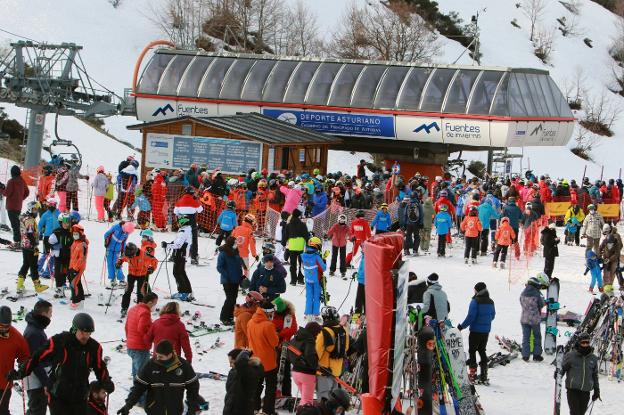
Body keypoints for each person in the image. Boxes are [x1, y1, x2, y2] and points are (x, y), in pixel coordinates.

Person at [10, 313, 114, 415]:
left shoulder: (94, 347)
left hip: (80, 396)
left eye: (89, 333)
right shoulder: (60, 341)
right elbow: (37, 356)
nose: (85, 336)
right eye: (82, 332)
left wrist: (106, 382)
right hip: (58, 395)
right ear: (74, 329)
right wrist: (21, 372)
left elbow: (100, 367)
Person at [117, 339, 203, 415]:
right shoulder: (150, 365)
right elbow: (138, 387)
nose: (157, 358)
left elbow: (193, 388)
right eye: (157, 355)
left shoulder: (183, 366)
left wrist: (192, 409)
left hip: (175, 411)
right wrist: (128, 405)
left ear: (170, 354)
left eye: (160, 356)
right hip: (154, 411)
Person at [457, 282, 496, 384]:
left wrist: (461, 327)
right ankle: (484, 375)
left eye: (474, 289)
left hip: (475, 331)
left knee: (472, 351)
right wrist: (485, 322)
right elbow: (492, 316)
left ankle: (472, 374)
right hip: (486, 331)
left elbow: (470, 317)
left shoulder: (475, 301)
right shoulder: (491, 301)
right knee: (482, 350)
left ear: (477, 290)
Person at [125, 292, 158, 407]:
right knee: (143, 375)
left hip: (131, 346)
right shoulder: (145, 312)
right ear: (149, 302)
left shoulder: (133, 309)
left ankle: (136, 396)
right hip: (140, 348)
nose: (155, 306)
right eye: (154, 303)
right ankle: (143, 400)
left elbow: (127, 326)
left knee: (136, 373)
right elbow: (142, 329)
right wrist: (148, 341)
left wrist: (129, 340)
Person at [247, 300, 280, 415]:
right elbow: (275, 342)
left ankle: (254, 408)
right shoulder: (268, 325)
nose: (273, 316)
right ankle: (268, 410)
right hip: (268, 362)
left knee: (256, 386)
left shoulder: (251, 321)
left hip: (255, 360)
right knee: (270, 388)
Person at [23, 300, 52, 415]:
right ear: (43, 314)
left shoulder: (36, 328)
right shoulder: (34, 333)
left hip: (39, 378)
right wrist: (45, 381)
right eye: (50, 313)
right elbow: (34, 362)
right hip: (36, 380)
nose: (51, 316)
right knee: (37, 410)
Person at [118, 231, 158, 316]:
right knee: (127, 291)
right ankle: (124, 308)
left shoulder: (144, 254)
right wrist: (119, 263)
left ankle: (140, 310)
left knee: (140, 293)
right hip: (131, 274)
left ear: (135, 252)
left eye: (131, 256)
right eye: (129, 257)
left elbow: (154, 260)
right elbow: (122, 258)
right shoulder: (127, 253)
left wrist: (152, 268)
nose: (130, 258)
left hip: (142, 275)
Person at [0, 306, 30, 414]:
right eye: (1, 326)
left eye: (6, 326)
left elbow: (25, 355)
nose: (3, 329)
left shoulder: (16, 337)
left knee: (2, 411)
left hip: (4, 382)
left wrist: (20, 370)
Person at [562, 332, 600, 415]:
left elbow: (594, 375)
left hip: (585, 391)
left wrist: (597, 390)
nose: (585, 344)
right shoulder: (570, 356)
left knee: (581, 413)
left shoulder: (593, 358)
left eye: (587, 342)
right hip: (572, 390)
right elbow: (563, 368)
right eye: (583, 342)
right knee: (575, 413)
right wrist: (558, 375)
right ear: (579, 342)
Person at [315, 306, 349, 400]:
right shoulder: (343, 330)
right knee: (334, 399)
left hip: (324, 371)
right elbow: (345, 348)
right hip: (337, 371)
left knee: (324, 399)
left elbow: (317, 352)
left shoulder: (324, 332)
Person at [16, 201, 48, 294]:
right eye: (34, 209)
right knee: (34, 265)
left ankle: (20, 284)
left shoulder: (26, 217)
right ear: (30, 209)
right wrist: (34, 246)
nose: (36, 212)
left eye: (37, 210)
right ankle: (37, 285)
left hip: (25, 245)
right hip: (30, 246)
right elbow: (30, 233)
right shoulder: (29, 219)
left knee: (26, 264)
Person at [289, 322, 322, 407]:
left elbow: (289, 352)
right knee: (307, 401)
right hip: (307, 374)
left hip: (296, 372)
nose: (318, 335)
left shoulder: (296, 337)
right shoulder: (309, 339)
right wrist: (316, 367)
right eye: (318, 332)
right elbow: (309, 355)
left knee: (304, 399)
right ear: (314, 331)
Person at [223, 349, 264, 415]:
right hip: (231, 407)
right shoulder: (234, 371)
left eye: (232, 362)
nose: (230, 365)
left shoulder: (248, 372)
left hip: (240, 410)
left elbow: (240, 362)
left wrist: (245, 352)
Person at [162, 216, 194, 301]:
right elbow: (179, 242)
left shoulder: (183, 231)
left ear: (182, 222)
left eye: (179, 222)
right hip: (183, 254)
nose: (177, 223)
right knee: (181, 272)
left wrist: (167, 245)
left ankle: (182, 292)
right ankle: (188, 292)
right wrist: (171, 243)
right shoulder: (187, 229)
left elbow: (178, 245)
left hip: (180, 254)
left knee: (177, 273)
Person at [217, 236, 247, 325]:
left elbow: (238, 264)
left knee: (233, 299)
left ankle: (230, 317)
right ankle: (224, 317)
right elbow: (219, 267)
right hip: (227, 280)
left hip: (236, 280)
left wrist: (242, 274)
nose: (236, 244)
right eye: (235, 243)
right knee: (230, 299)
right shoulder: (223, 253)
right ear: (231, 243)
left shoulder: (236, 252)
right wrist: (227, 276)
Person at [272, 297, 298, 397]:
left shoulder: (289, 314)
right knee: (274, 371)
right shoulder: (272, 313)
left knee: (285, 371)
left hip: (285, 346)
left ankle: (287, 394)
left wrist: (280, 334)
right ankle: (274, 392)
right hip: (273, 345)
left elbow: (293, 329)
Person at [519, 274, 548, 362]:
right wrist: (547, 302)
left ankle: (525, 355)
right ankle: (536, 355)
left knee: (526, 337)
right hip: (534, 319)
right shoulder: (537, 294)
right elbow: (541, 304)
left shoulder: (523, 293)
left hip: (524, 318)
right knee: (537, 337)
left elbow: (521, 302)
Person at [174, 186, 203, 264]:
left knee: (181, 237)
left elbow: (175, 211)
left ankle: (175, 254)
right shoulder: (193, 200)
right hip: (191, 220)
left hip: (182, 220)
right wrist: (196, 200)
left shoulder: (179, 200)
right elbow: (200, 210)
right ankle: (194, 257)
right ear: (192, 193)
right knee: (193, 238)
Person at [3, 165, 30, 245]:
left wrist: (2, 190)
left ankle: (17, 242)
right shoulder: (22, 181)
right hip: (18, 206)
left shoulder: (11, 181)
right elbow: (27, 192)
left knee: (15, 225)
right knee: (17, 224)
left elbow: (7, 193)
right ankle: (19, 241)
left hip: (11, 206)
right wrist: (20, 198)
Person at [301, 237, 327, 322]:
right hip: (316, 280)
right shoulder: (316, 257)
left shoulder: (303, 255)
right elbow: (323, 268)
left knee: (309, 296)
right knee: (316, 297)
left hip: (308, 279)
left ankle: (307, 314)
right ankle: (315, 315)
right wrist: (324, 260)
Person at [104, 221, 135, 287]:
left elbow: (123, 242)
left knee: (117, 264)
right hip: (109, 248)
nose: (126, 233)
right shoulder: (116, 227)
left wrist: (123, 251)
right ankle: (112, 279)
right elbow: (107, 234)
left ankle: (121, 279)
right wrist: (106, 241)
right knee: (110, 263)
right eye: (126, 231)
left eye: (128, 232)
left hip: (117, 250)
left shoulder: (126, 233)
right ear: (125, 227)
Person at [49, 213, 73, 298]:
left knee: (70, 274)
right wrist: (58, 246)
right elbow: (50, 243)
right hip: (59, 257)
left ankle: (74, 292)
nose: (66, 224)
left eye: (68, 222)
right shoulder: (57, 232)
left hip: (70, 257)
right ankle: (60, 291)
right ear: (60, 223)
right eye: (64, 222)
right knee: (59, 274)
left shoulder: (72, 232)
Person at [285, 209, 310, 285]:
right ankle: (300, 279)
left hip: (292, 247)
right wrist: (308, 244)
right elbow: (306, 235)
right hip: (300, 247)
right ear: (299, 215)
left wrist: (283, 243)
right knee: (300, 264)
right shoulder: (302, 225)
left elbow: (285, 235)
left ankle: (293, 280)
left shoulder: (288, 225)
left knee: (293, 264)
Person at [68, 224, 89, 309]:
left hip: (78, 267)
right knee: (77, 282)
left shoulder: (82, 244)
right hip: (72, 266)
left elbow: (81, 258)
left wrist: (75, 269)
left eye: (76, 234)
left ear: (80, 234)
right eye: (73, 234)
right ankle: (81, 299)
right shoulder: (75, 242)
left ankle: (76, 301)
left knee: (74, 284)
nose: (74, 235)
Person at [326, 214, 350, 278]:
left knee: (342, 258)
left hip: (343, 243)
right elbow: (330, 231)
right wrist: (327, 235)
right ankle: (332, 270)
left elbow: (350, 234)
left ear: (345, 221)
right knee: (334, 257)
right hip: (335, 243)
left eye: (343, 221)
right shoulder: (335, 225)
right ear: (339, 220)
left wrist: (352, 237)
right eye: (341, 221)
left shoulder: (346, 227)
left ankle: (343, 271)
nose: (342, 222)